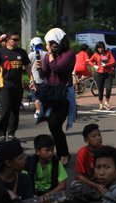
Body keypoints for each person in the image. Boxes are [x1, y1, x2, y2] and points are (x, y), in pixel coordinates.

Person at [39, 28, 75, 166]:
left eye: (49, 43)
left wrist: (50, 56)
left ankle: (63, 153)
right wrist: (41, 68)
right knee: (52, 124)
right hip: (51, 93)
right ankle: (62, 152)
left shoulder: (69, 54)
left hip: (64, 94)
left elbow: (57, 69)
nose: (48, 45)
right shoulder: (49, 55)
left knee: (55, 123)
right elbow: (47, 73)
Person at [0, 31, 32, 143]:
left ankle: (11, 134)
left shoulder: (21, 52)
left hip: (18, 86)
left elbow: (27, 67)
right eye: (14, 39)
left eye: (18, 39)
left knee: (15, 111)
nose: (16, 41)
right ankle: (1, 134)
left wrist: (32, 79)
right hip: (5, 85)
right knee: (6, 110)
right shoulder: (1, 52)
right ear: (8, 39)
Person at [24, 134, 67, 200]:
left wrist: (47, 195)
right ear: (37, 151)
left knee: (63, 198)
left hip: (51, 192)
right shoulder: (29, 164)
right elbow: (25, 184)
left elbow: (62, 185)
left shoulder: (56, 163)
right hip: (34, 193)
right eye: (47, 150)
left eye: (52, 150)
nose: (50, 153)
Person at [73, 124, 104, 201]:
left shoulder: (104, 150)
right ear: (86, 140)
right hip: (88, 182)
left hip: (101, 180)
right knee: (75, 186)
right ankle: (97, 194)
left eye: (99, 135)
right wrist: (96, 186)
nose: (98, 138)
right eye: (94, 136)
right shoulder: (82, 152)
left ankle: (93, 195)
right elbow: (79, 176)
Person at [89, 41, 116, 110]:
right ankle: (101, 103)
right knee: (100, 89)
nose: (101, 49)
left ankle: (106, 102)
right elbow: (89, 61)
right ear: (97, 48)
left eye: (102, 47)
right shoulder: (95, 54)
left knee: (108, 88)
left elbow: (113, 61)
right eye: (99, 48)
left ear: (104, 47)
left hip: (108, 72)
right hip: (99, 73)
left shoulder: (108, 52)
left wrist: (106, 65)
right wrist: (94, 66)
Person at [28, 37, 46, 119]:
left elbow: (27, 66)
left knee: (36, 97)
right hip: (45, 79)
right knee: (44, 96)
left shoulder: (31, 55)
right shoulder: (46, 54)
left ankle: (38, 111)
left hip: (35, 80)